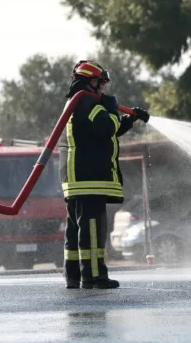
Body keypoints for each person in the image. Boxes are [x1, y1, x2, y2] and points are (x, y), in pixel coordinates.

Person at [60, 60, 150, 289]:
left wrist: (129, 119)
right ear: (91, 82)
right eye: (101, 83)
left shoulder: (79, 102)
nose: (103, 89)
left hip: (77, 179)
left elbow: (108, 130)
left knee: (75, 230)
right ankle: (94, 276)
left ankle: (73, 276)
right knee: (91, 229)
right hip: (88, 178)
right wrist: (111, 107)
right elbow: (107, 126)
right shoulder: (87, 102)